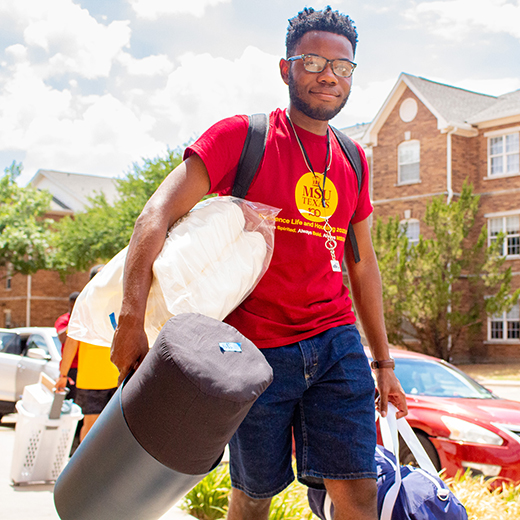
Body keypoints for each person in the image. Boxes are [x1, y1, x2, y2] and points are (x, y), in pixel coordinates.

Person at [111, 7, 408, 520]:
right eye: (312, 60)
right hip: (252, 349)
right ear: (284, 68)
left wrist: (383, 363)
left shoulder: (354, 158)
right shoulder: (241, 137)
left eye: (343, 66)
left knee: (358, 493)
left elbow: (362, 266)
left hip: (336, 343)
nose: (328, 75)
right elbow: (154, 215)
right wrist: (132, 320)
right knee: (253, 496)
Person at [56, 265, 119, 442]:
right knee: (91, 424)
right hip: (92, 378)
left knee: (113, 428)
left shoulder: (118, 302)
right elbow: (71, 342)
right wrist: (63, 374)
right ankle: (85, 468)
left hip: (116, 376)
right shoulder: (84, 306)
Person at [54, 291, 80, 401]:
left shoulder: (85, 320)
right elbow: (62, 337)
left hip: (84, 367)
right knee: (71, 399)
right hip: (70, 368)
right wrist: (75, 322)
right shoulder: (64, 320)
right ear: (71, 305)